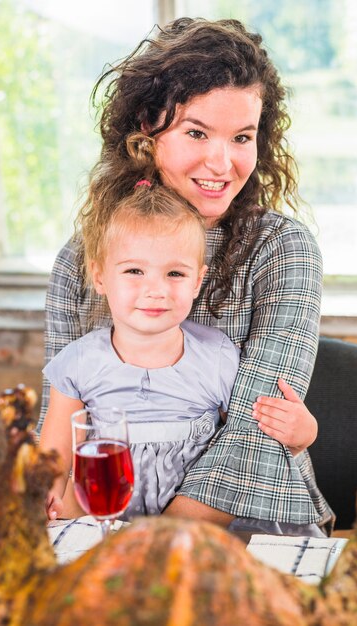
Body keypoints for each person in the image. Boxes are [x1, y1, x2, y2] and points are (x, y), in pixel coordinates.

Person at [39, 17, 334, 535]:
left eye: (242, 137)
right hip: (112, 524)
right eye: (196, 131)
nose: (222, 162)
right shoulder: (79, 262)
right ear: (146, 133)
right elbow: (65, 440)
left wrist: (157, 550)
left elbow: (254, 429)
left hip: (251, 521)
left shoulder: (282, 249)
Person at [40, 174, 241, 521]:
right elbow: (56, 454)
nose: (156, 290)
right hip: (105, 518)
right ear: (100, 277)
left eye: (175, 274)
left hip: (191, 527)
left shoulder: (218, 358)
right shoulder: (77, 363)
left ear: (197, 280)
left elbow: (242, 444)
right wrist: (45, 492)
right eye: (135, 270)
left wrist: (302, 433)